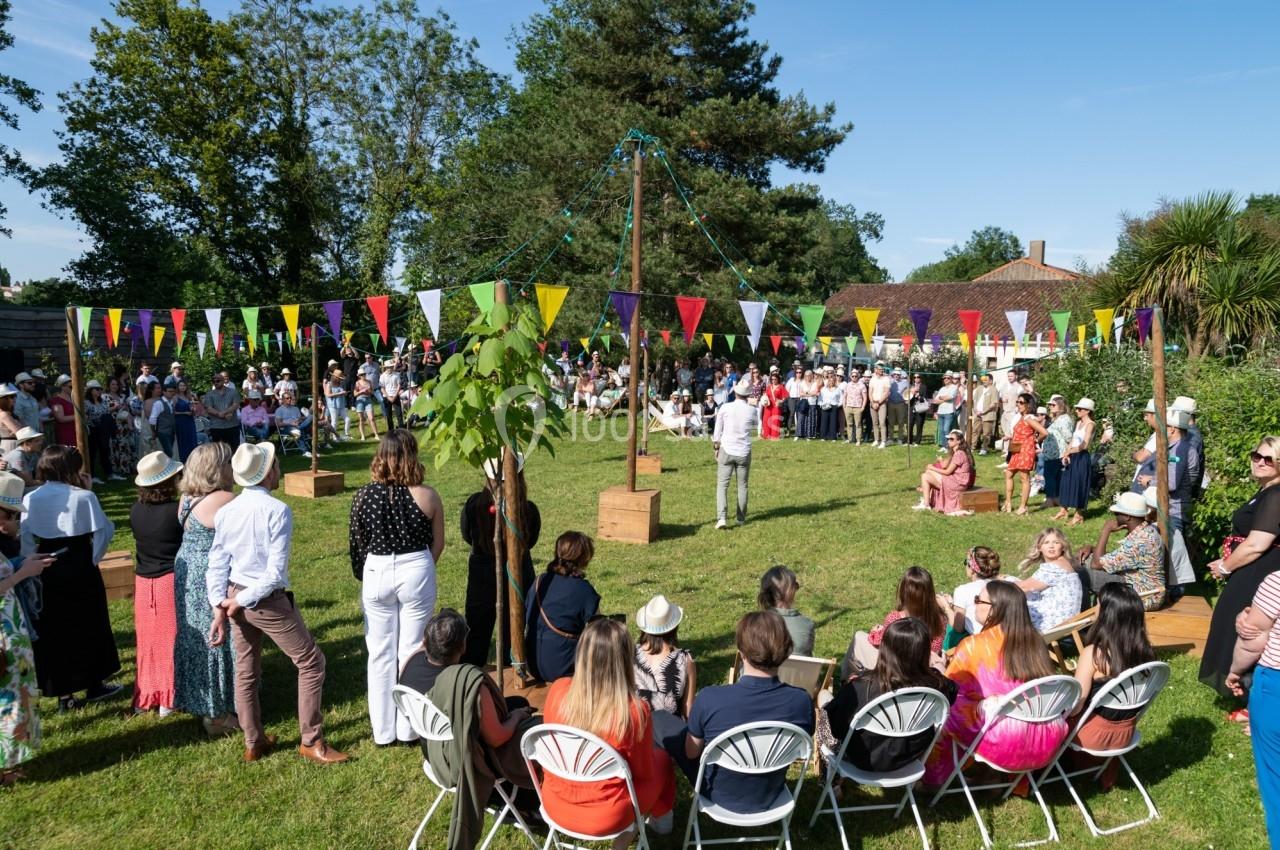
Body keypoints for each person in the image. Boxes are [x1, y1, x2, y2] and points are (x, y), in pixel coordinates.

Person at [205, 441, 347, 764]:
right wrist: (229, 603)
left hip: (237, 596)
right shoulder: (277, 510)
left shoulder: (227, 512)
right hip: (262, 599)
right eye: (276, 465)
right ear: (269, 474)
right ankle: (311, 740)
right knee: (311, 662)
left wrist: (221, 603)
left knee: (246, 670)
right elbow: (273, 573)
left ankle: (254, 741)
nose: (279, 469)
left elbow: (217, 562)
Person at [662, 611, 813, 816]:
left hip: (717, 793)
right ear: (786, 651)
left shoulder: (710, 699)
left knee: (660, 720)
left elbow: (691, 753)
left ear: (741, 652)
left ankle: (660, 812)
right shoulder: (802, 702)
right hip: (771, 793)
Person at [540, 619, 676, 846]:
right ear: (624, 660)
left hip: (554, 802)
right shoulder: (632, 712)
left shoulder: (557, 691)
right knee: (661, 760)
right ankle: (661, 823)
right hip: (608, 816)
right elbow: (643, 773)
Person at [348, 430, 445, 746]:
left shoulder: (363, 496)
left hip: (376, 569)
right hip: (415, 566)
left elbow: (356, 543)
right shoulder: (427, 495)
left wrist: (369, 573)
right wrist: (421, 569)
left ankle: (383, 731)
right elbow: (438, 544)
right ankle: (408, 728)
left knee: (379, 654)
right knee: (412, 648)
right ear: (412, 456)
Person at [923, 580, 1065, 785]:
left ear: (994, 610)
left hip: (1005, 740)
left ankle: (935, 778)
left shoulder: (974, 646)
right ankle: (988, 773)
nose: (974, 604)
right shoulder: (1036, 643)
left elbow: (951, 691)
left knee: (945, 708)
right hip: (1044, 738)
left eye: (978, 600)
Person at [20, 446, 122, 710]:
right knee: (89, 623)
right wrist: (93, 559)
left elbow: (26, 536)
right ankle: (93, 682)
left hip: (46, 564)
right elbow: (102, 531)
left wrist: (32, 560)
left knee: (56, 628)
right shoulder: (84, 497)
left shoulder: (32, 498)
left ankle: (64, 694)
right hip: (79, 563)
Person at [823, 618, 957, 775]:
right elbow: (952, 694)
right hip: (909, 757)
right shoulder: (939, 686)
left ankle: (831, 780)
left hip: (861, 758)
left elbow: (836, 728)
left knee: (824, 700)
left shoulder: (862, 687)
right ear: (925, 652)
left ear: (885, 649)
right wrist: (939, 669)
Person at [1201, 437, 1280, 702]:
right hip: (1251, 570)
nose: (1260, 462)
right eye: (1256, 455)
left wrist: (1224, 567)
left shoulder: (1277, 494)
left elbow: (1257, 544)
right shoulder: (1266, 490)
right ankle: (1245, 691)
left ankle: (1253, 696)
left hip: (1261, 573)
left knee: (1249, 630)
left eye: (1269, 459)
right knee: (1236, 627)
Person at [171, 443, 238, 737]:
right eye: (229, 462)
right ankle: (220, 712)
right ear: (218, 468)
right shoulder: (224, 499)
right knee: (220, 636)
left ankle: (206, 703)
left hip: (187, 569)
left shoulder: (186, 498)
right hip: (210, 574)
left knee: (198, 637)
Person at [1067, 584, 1157, 788]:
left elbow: (1076, 706)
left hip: (1090, 736)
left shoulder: (1094, 654)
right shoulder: (1146, 654)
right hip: (1125, 735)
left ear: (1106, 614)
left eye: (1097, 604)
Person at [460, 456, 540, 666]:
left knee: (478, 632)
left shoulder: (474, 505)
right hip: (515, 572)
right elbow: (530, 541)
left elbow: (468, 536)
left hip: (483, 575)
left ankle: (476, 676)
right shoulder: (527, 509)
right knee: (509, 631)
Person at [0, 473, 53, 785]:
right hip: (3, 631)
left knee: (17, 695)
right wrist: (23, 574)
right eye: (10, 515)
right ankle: (5, 767)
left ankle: (12, 759)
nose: (12, 521)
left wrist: (23, 563)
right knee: (6, 698)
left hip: (11, 625)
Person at [1225, 571, 1280, 844]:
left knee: (1276, 782)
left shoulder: (1277, 581)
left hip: (1276, 691)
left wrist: (1235, 672)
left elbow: (1253, 637)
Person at [129, 451, 185, 714]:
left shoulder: (135, 511)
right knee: (170, 639)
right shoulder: (176, 511)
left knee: (148, 642)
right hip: (167, 579)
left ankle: (149, 692)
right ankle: (168, 696)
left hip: (143, 582)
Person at [843, 566, 948, 677]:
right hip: (922, 673)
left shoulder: (895, 618)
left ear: (903, 591)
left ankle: (846, 681)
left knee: (859, 637)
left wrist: (875, 632)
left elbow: (883, 644)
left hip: (892, 671)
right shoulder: (939, 620)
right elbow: (934, 652)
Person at [525, 531, 601, 683]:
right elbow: (600, 631)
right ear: (584, 558)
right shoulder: (585, 590)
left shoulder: (540, 581)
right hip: (564, 668)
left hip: (532, 664)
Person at [1079, 492, 1165, 610]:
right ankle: (1094, 616)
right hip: (1136, 583)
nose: (1114, 517)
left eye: (1117, 513)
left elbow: (1096, 564)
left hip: (1144, 596)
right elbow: (1120, 558)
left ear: (1127, 516)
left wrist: (1106, 530)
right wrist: (1092, 548)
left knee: (1080, 575)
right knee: (1082, 561)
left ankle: (1084, 622)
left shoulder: (1140, 541)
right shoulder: (1145, 530)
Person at [633, 595, 697, 719]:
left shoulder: (629, 653)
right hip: (672, 734)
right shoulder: (684, 660)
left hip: (636, 732)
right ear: (674, 627)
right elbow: (688, 709)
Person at [1014, 528, 1082, 632]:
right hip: (1064, 623)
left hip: (1052, 625)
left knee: (1006, 604)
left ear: (1063, 547)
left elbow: (1022, 587)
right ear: (1039, 547)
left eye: (1056, 542)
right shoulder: (1063, 563)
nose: (1051, 546)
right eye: (1046, 542)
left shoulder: (1055, 567)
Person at [712, 379, 757, 530]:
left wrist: (716, 448)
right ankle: (741, 518)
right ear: (747, 394)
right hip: (743, 450)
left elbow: (717, 432)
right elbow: (755, 426)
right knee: (742, 486)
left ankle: (722, 518)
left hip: (727, 449)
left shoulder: (725, 407)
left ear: (736, 392)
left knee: (722, 486)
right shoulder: (752, 410)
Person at [1003, 393, 1047, 514]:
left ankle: (1023, 506)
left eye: (1021, 402)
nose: (1018, 404)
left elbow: (1044, 432)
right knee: (1009, 474)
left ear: (1028, 405)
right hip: (1016, 449)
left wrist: (1034, 441)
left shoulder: (1029, 418)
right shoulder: (1021, 417)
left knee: (1024, 477)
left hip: (1026, 450)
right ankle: (1008, 502)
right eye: (1017, 402)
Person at [949, 546, 1005, 640]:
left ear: (972, 569)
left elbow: (958, 628)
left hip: (981, 643)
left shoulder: (962, 590)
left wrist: (947, 608)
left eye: (966, 563)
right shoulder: (1004, 585)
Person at [757, 565, 815, 656]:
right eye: (795, 585)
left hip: (760, 670)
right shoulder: (806, 625)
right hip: (797, 670)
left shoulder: (753, 624)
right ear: (790, 591)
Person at [916, 429, 975, 515]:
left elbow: (947, 472)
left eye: (951, 439)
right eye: (948, 439)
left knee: (926, 475)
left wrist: (932, 468)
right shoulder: (957, 452)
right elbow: (946, 467)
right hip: (956, 480)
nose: (949, 441)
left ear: (958, 441)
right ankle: (926, 503)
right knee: (926, 474)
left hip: (958, 484)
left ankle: (926, 503)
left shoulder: (959, 454)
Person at [1057, 398, 1096, 525]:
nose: (1077, 411)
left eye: (1079, 409)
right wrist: (1066, 454)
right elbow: (1073, 441)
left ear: (1087, 411)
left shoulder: (1091, 424)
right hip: (1073, 454)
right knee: (1066, 481)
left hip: (1082, 457)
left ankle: (1079, 515)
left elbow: (1084, 445)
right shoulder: (1078, 422)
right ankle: (1063, 510)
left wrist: (1070, 451)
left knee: (1079, 484)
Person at [202, 371, 241, 448]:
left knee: (234, 449)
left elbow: (236, 405)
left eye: (218, 381)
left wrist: (225, 412)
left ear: (223, 381)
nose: (215, 383)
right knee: (219, 451)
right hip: (216, 426)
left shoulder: (233, 392)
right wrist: (221, 415)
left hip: (232, 425)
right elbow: (209, 408)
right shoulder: (209, 394)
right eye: (213, 381)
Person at [274, 390, 313, 458]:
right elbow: (279, 424)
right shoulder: (279, 410)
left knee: (311, 416)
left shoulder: (295, 408)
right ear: (283, 399)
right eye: (287, 398)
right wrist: (291, 423)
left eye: (290, 398)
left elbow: (299, 418)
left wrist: (299, 420)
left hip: (298, 425)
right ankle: (305, 451)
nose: (289, 399)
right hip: (286, 428)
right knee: (299, 431)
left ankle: (307, 449)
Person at [972, 373, 999, 454]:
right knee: (975, 430)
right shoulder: (979, 388)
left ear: (990, 381)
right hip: (977, 413)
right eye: (983, 380)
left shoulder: (994, 390)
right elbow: (975, 400)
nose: (984, 381)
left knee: (986, 433)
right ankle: (972, 446)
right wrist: (976, 410)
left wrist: (984, 412)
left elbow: (993, 404)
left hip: (988, 414)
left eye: (986, 380)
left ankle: (984, 448)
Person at [48, 375, 76, 447]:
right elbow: (60, 418)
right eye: (70, 387)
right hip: (65, 433)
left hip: (75, 431)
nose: (73, 389)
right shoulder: (57, 400)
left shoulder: (73, 399)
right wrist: (78, 417)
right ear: (62, 387)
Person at [324, 370, 351, 440]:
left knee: (348, 419)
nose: (340, 379)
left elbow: (341, 392)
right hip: (333, 405)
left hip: (341, 404)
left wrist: (344, 393)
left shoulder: (340, 384)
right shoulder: (329, 384)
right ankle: (334, 437)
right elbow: (328, 395)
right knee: (334, 421)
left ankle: (346, 434)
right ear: (335, 377)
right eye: (339, 378)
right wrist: (340, 394)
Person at [353, 369, 378, 440]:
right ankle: (362, 436)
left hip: (368, 400)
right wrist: (361, 391)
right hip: (360, 400)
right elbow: (355, 394)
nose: (363, 376)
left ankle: (376, 434)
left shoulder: (369, 382)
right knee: (361, 419)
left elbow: (372, 392)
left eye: (364, 374)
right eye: (361, 375)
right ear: (359, 376)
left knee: (371, 418)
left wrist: (369, 391)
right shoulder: (357, 383)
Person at [378, 361, 404, 429]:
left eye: (391, 367)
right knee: (388, 415)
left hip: (395, 395)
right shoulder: (382, 376)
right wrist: (388, 397)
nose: (390, 368)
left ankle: (401, 429)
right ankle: (391, 430)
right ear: (386, 368)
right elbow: (382, 388)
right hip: (387, 397)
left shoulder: (396, 374)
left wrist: (395, 395)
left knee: (399, 414)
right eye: (388, 367)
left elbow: (399, 385)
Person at [907, 373, 928, 446]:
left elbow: (924, 399)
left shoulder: (923, 387)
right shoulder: (910, 386)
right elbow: (907, 397)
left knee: (919, 425)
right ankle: (909, 441)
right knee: (909, 425)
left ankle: (917, 442)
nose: (916, 378)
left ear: (920, 378)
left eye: (918, 377)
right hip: (911, 407)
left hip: (920, 408)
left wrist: (918, 395)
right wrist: (911, 393)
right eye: (915, 377)